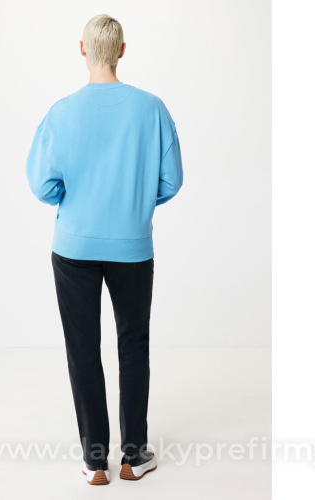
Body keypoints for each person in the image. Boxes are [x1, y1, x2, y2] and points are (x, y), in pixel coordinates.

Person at [25, 13, 183, 486]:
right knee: (133, 345)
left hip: (73, 245)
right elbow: (171, 180)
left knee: (82, 349)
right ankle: (134, 456)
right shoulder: (152, 109)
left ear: (82, 50)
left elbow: (42, 185)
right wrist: (134, 203)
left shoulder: (61, 112)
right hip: (132, 246)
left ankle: (96, 461)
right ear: (122, 50)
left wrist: (75, 202)